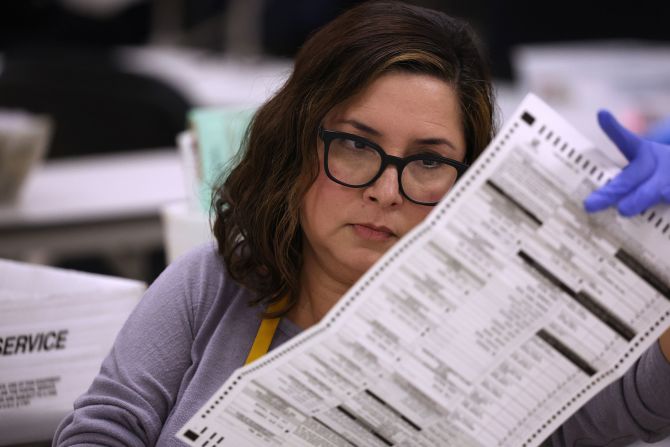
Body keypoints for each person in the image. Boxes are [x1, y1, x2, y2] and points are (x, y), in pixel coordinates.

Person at [53, 1, 670, 446]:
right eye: (355, 144)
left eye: (428, 160)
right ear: (298, 144)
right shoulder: (213, 285)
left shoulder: (496, 333)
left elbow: (646, 401)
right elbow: (102, 431)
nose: (383, 191)